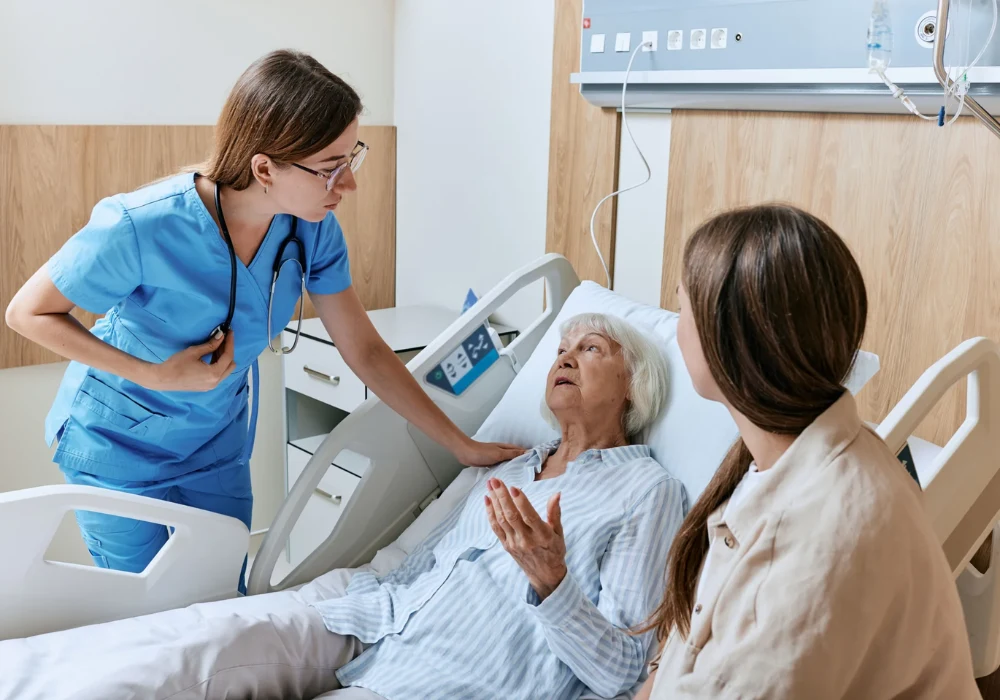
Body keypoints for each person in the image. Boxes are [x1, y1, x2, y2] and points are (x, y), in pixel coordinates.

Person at [3, 50, 522, 591]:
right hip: (119, 448)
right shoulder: (142, 225)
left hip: (214, 445)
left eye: (353, 158)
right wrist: (157, 374)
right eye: (330, 169)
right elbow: (28, 313)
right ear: (264, 168)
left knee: (226, 602)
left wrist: (459, 444)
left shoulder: (310, 230)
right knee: (149, 614)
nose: (349, 186)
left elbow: (364, 351)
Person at [0, 313, 686, 700]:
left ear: (635, 386)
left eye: (589, 349)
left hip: (457, 680)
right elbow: (424, 560)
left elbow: (624, 671)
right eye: (560, 348)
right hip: (381, 628)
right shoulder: (509, 465)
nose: (563, 357)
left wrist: (552, 581)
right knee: (174, 653)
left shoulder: (643, 491)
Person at [635, 205, 978, 699]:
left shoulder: (805, 548)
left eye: (681, 304)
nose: (673, 322)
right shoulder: (801, 460)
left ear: (724, 339)